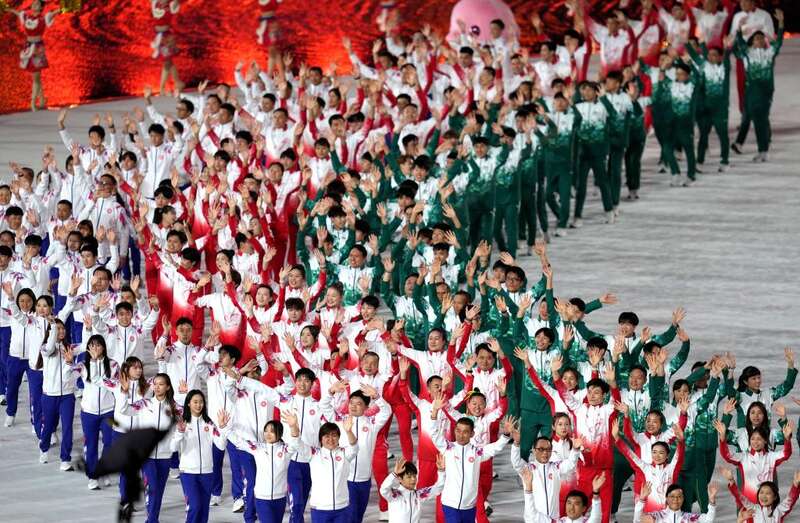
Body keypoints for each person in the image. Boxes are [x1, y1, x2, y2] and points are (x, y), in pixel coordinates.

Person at [171, 390, 228, 523]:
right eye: (195, 402)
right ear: (189, 404)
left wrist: (222, 428)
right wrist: (180, 433)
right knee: (195, 507)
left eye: (201, 402)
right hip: (188, 473)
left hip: (207, 473)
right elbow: (172, 448)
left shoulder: (209, 424)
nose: (198, 405)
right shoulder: (183, 424)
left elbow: (221, 445)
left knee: (203, 511)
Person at [6, 0, 60, 111]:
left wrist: (66, 7)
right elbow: (16, 12)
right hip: (28, 47)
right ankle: (42, 101)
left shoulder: (44, 18)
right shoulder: (26, 17)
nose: (34, 5)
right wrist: (7, 9)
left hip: (37, 49)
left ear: (41, 7)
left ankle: (32, 103)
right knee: (36, 76)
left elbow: (56, 12)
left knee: (36, 76)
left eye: (37, 4)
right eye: (33, 4)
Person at [379, 456, 446, 523]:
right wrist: (394, 474)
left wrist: (441, 471)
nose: (413, 479)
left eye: (414, 476)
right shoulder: (394, 495)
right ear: (400, 479)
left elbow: (438, 487)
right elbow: (384, 489)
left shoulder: (419, 495)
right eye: (409, 477)